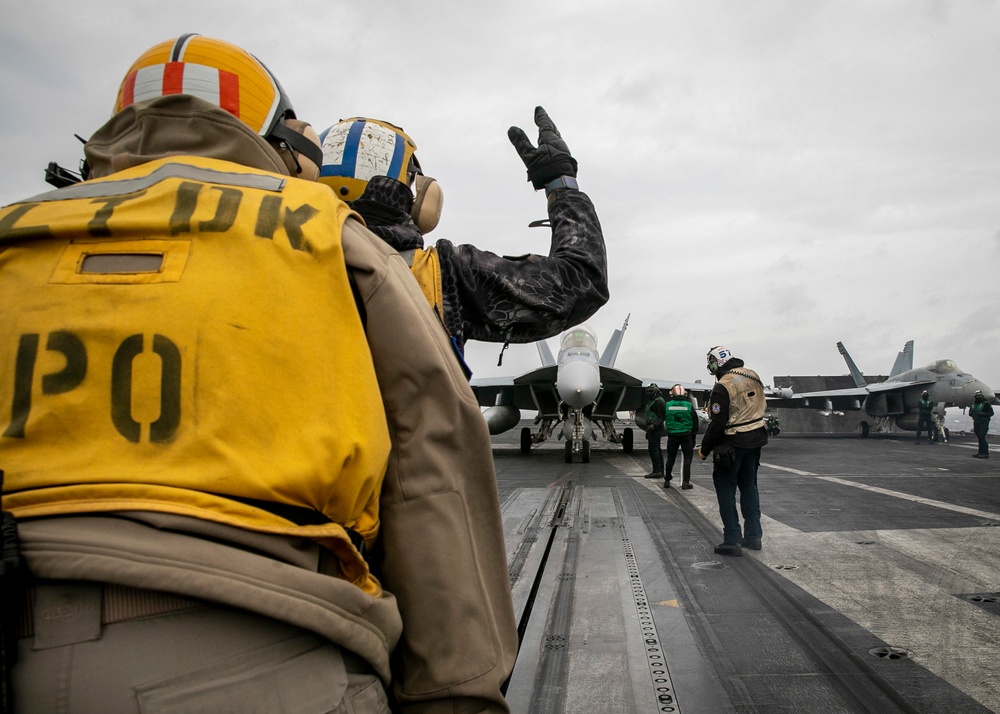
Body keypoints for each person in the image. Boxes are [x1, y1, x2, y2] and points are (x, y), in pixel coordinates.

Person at [0, 34, 516, 713]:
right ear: (276, 140)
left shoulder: (15, 233)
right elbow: (433, 468)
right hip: (257, 644)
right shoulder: (331, 237)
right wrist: (457, 693)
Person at [315, 112, 608, 364]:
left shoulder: (276, 258)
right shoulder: (442, 277)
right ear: (414, 193)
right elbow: (581, 282)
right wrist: (561, 184)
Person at [697, 346, 769, 557]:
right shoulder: (752, 375)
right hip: (755, 441)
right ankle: (754, 537)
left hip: (732, 445)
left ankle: (732, 540)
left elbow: (717, 423)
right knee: (749, 487)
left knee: (726, 492)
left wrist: (704, 449)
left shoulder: (722, 386)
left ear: (715, 363)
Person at [663, 384, 699, 490]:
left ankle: (667, 480)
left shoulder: (667, 405)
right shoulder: (688, 405)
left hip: (673, 436)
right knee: (687, 459)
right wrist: (694, 437)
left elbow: (662, 417)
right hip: (686, 436)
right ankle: (685, 482)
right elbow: (695, 422)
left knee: (670, 458)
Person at [643, 384, 666, 479]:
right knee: (657, 449)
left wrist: (654, 426)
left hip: (656, 429)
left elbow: (661, 418)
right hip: (652, 428)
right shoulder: (652, 401)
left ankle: (657, 471)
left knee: (653, 450)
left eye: (651, 392)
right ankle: (660, 471)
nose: (649, 394)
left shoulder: (659, 402)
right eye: (648, 392)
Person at [970, 389, 994, 458]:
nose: (978, 397)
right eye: (977, 396)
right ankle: (980, 452)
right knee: (980, 438)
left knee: (982, 437)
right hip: (976, 422)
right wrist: (972, 414)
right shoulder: (973, 404)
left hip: (984, 422)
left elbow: (991, 413)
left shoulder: (986, 404)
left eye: (979, 396)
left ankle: (985, 453)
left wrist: (982, 414)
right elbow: (970, 412)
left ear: (982, 396)